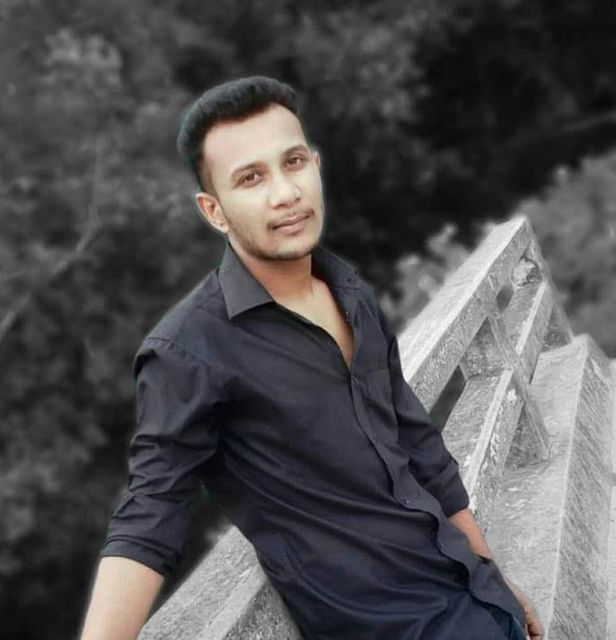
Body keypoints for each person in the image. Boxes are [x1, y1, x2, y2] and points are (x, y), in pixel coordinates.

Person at [79, 76, 543, 640]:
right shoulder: (189, 350)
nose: (285, 192)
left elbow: (419, 448)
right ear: (214, 210)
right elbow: (149, 516)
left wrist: (492, 579)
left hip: (469, 591)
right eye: (251, 178)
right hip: (394, 627)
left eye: (293, 162)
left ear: (315, 166)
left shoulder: (348, 290)